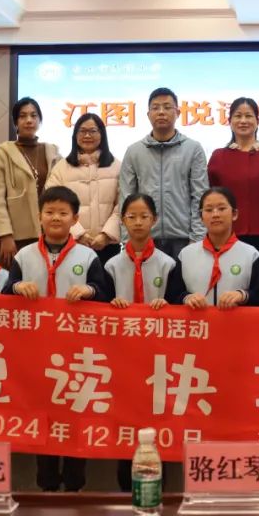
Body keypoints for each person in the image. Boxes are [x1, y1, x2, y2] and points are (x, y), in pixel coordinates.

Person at [3, 185, 110, 493]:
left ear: (75, 219)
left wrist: (89, 290)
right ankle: (47, 488)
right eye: (49, 212)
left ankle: (75, 487)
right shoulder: (24, 256)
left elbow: (104, 294)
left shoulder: (87, 256)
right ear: (39, 216)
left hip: (77, 356)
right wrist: (17, 287)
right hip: (37, 354)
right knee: (44, 421)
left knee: (75, 420)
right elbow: (5, 295)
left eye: (63, 213)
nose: (55, 218)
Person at [104, 193, 175, 493]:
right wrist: (111, 305)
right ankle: (125, 491)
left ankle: (160, 489)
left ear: (154, 220)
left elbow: (180, 306)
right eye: (131, 217)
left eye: (144, 216)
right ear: (122, 221)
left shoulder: (169, 264)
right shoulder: (110, 266)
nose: (137, 222)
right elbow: (98, 309)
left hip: (159, 359)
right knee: (125, 421)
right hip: (122, 359)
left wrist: (167, 306)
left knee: (158, 422)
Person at [119, 87, 208, 260]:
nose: (161, 112)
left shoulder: (193, 149)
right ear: (148, 114)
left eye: (167, 107)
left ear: (177, 113)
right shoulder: (134, 151)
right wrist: (127, 239)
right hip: (144, 238)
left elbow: (200, 196)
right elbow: (126, 197)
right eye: (155, 107)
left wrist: (197, 239)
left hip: (184, 239)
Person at [207, 97, 259, 260]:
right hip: (227, 236)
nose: (243, 121)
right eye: (238, 116)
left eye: (248, 116)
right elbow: (209, 200)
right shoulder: (218, 157)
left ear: (258, 121)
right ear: (230, 122)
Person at [0, 97, 61, 267]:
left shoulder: (52, 152)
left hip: (49, 233)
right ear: (15, 122)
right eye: (23, 116)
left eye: (34, 116)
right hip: (16, 237)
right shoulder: (3, 153)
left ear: (40, 120)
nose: (29, 120)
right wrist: (5, 235)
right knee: (18, 281)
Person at [167, 187, 259, 310]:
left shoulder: (251, 255)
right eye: (208, 210)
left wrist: (243, 295)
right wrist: (187, 298)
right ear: (201, 217)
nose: (215, 214)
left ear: (234, 214)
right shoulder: (186, 255)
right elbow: (171, 296)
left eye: (221, 208)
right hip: (199, 322)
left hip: (236, 322)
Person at [46, 113, 121, 264]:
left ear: (102, 134)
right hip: (71, 244)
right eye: (82, 131)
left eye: (93, 131)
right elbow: (52, 203)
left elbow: (123, 204)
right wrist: (79, 234)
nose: (87, 135)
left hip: (107, 246)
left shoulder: (117, 166)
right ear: (75, 135)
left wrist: (106, 235)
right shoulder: (61, 168)